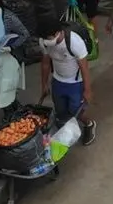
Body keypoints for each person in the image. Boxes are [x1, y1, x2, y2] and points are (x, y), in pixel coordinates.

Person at [37, 17, 97, 146]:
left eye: (49, 38)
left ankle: (89, 124)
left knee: (76, 110)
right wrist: (44, 84)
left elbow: (84, 67)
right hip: (58, 80)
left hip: (76, 82)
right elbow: (46, 64)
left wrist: (87, 90)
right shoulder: (44, 42)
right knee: (60, 110)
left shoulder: (74, 42)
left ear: (58, 32)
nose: (47, 41)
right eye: (45, 39)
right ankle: (65, 132)